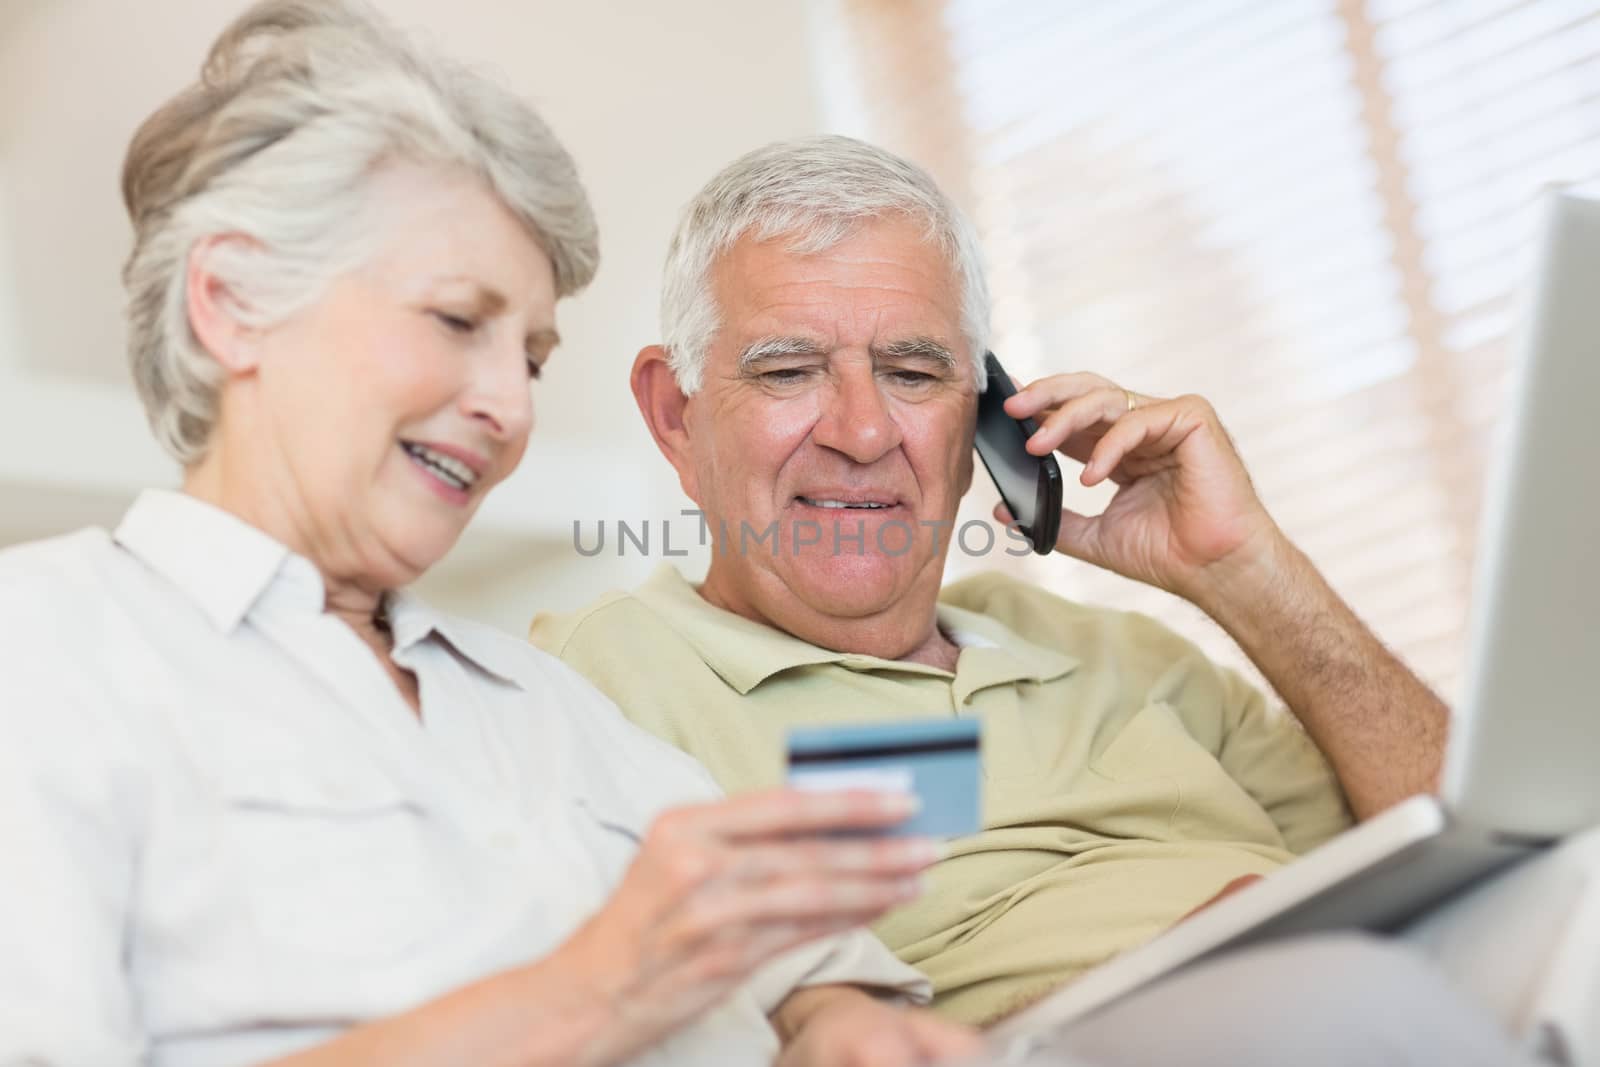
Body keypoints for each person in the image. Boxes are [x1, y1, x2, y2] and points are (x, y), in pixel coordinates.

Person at [0, 8, 992, 1066]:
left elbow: (810, 962)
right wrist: (592, 992)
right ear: (232, 300)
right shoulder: (49, 647)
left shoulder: (541, 700)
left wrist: (837, 1020)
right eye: (456, 320)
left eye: (530, 356)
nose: (508, 406)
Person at [525, 136, 1511, 1040]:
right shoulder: (597, 679)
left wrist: (1242, 571)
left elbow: (1489, 864)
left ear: (986, 416)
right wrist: (1177, 970)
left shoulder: (1126, 657)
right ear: (674, 415)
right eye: (788, 371)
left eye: (914, 372)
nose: (863, 433)